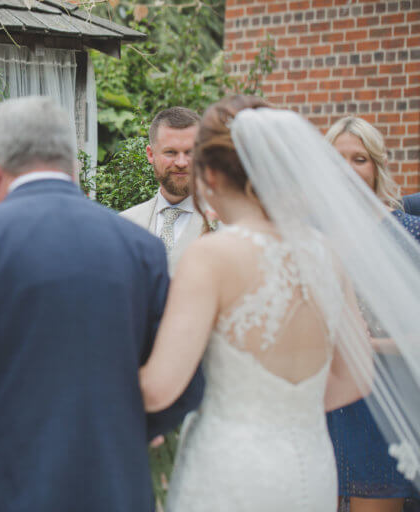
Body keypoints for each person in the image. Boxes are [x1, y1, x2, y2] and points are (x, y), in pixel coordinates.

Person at [0, 96, 203, 512]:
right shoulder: (140, 247)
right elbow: (187, 381)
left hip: (2, 489)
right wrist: (125, 430)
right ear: (72, 165)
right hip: (113, 487)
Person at [138, 95, 393, 511]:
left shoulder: (213, 255)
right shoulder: (326, 254)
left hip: (231, 465)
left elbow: (161, 386)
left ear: (212, 174)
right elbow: (358, 375)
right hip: (309, 465)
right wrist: (289, 409)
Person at [324, 116, 420, 512]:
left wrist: (367, 343)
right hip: (318, 402)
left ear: (377, 166)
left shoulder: (409, 234)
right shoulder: (304, 233)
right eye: (338, 159)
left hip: (383, 408)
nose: (348, 169)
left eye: (359, 158)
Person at [120, 107, 208, 273]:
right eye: (170, 152)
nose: (181, 163)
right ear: (151, 154)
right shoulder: (124, 223)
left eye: (190, 152)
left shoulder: (226, 224)